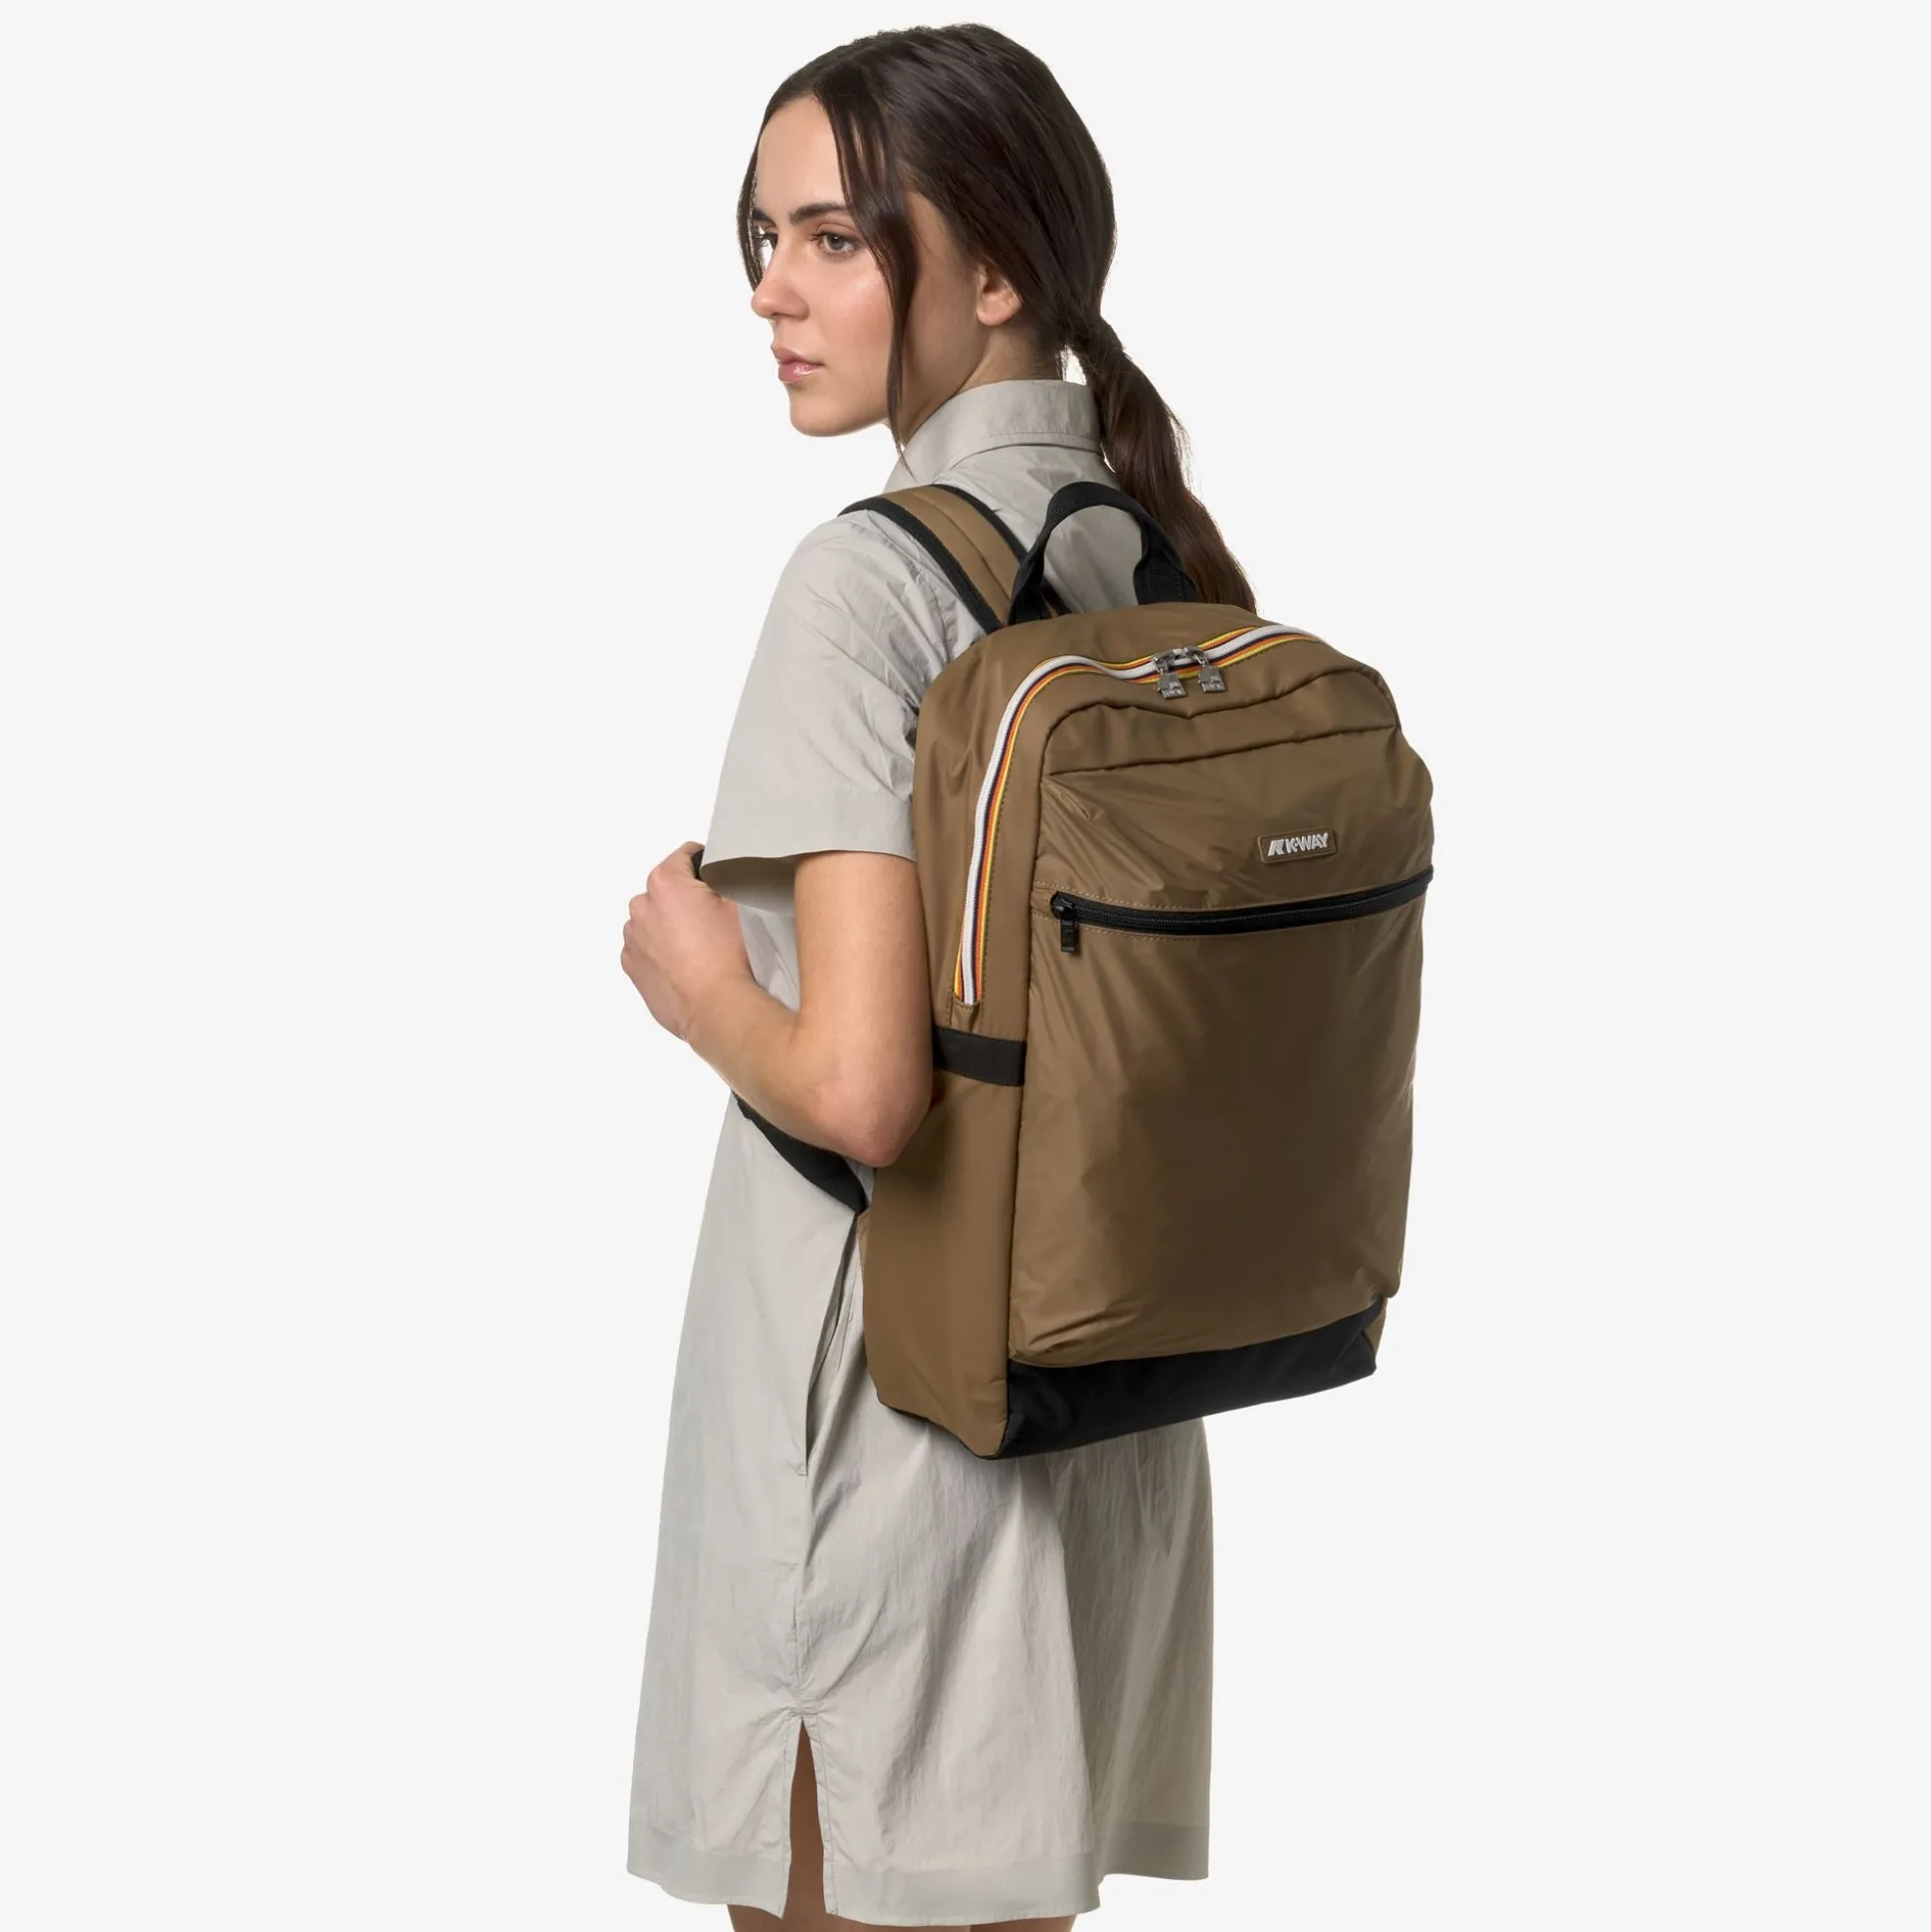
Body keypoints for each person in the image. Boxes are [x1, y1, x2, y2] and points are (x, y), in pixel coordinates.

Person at [618, 25, 1257, 1931]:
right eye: (764, 237)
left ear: (996, 272)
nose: (772, 289)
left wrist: (696, 982)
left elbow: (865, 1091)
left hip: (887, 1428)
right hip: (1097, 1412)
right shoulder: (1154, 562)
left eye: (834, 237)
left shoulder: (870, 584)